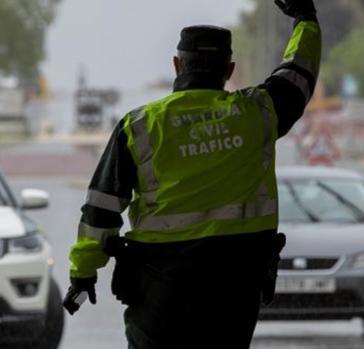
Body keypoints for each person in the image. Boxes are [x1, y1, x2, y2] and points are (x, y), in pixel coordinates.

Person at [62, 0, 321, 347]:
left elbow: (102, 207)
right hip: (234, 286)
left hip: (159, 289)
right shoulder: (258, 113)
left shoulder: (140, 125)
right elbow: (298, 73)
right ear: (228, 70)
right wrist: (305, 18)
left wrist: (83, 272)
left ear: (177, 65)